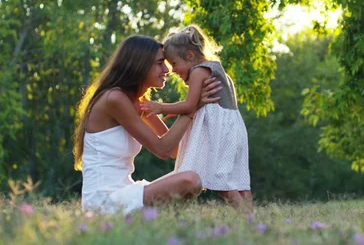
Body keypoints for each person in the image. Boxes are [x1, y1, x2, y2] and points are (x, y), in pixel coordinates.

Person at [73, 35, 222, 215]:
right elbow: (163, 149)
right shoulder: (114, 99)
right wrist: (192, 106)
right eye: (160, 63)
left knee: (193, 176)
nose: (167, 70)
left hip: (125, 190)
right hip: (103, 201)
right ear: (140, 64)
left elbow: (175, 150)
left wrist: (196, 110)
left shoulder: (139, 102)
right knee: (190, 180)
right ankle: (153, 221)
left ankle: (154, 224)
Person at [140, 25, 252, 209]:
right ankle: (250, 213)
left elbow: (190, 105)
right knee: (238, 178)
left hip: (220, 132)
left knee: (220, 179)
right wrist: (176, 109)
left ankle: (246, 217)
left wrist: (160, 107)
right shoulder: (219, 70)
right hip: (235, 129)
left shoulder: (198, 71)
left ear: (190, 56)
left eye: (174, 63)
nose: (172, 70)